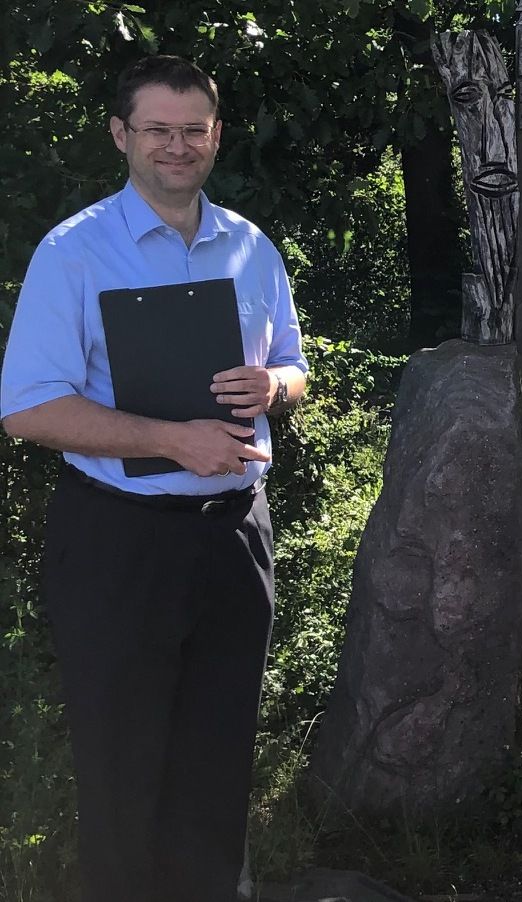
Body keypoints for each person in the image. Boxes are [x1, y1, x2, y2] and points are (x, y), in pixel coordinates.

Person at [0, 56, 307, 902]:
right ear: (121, 135)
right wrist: (170, 440)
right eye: (158, 130)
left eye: (194, 130)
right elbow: (25, 407)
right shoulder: (74, 251)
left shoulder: (251, 247)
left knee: (219, 755)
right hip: (119, 541)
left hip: (236, 534)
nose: (178, 146)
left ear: (216, 135)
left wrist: (274, 388)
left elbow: (293, 367)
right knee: (122, 765)